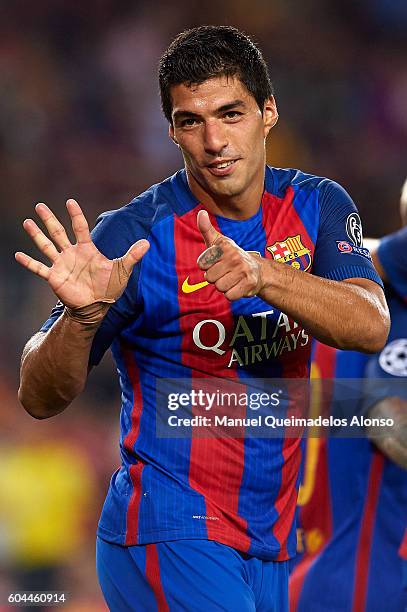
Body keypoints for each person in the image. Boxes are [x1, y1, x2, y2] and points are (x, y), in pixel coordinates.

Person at [16, 26, 389, 611]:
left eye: (231, 113)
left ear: (269, 112)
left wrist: (266, 275)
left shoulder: (318, 204)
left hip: (269, 539)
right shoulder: (134, 236)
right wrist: (82, 318)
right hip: (171, 526)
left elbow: (370, 323)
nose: (214, 139)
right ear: (172, 131)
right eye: (191, 121)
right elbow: (39, 396)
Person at [290, 180, 407, 611]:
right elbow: (389, 421)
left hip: (305, 565)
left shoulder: (314, 310)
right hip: (369, 576)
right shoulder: (391, 319)